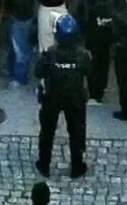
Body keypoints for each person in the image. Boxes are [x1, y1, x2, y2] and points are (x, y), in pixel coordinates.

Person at [33, 14, 91, 179]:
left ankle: (44, 164)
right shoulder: (82, 55)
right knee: (77, 132)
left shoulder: (50, 54)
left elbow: (38, 72)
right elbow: (89, 71)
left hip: (52, 97)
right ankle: (77, 166)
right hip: (75, 98)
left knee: (47, 131)